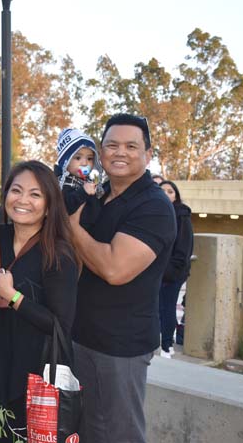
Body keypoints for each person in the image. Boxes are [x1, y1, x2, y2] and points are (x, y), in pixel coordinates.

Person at [69, 114, 176, 443]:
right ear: (100, 153)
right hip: (82, 338)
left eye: (131, 146)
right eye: (112, 145)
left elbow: (115, 269)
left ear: (148, 153)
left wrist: (71, 228)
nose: (120, 152)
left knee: (119, 435)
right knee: (86, 432)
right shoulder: (99, 196)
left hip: (120, 349)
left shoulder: (153, 206)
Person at [0, 161, 78, 441]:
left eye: (35, 194)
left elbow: (60, 326)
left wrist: (12, 296)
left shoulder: (57, 254)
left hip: (37, 378)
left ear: (49, 205)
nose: (23, 200)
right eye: (16, 191)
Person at [158, 180, 193, 358]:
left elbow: (184, 248)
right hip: (155, 271)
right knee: (156, 307)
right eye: (162, 191)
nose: (166, 194)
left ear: (176, 196)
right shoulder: (155, 213)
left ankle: (166, 345)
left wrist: (170, 271)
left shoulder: (181, 215)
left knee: (167, 307)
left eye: (170, 191)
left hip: (173, 272)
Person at [54, 127, 103, 229]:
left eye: (89, 158)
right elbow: (65, 207)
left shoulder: (88, 179)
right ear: (65, 161)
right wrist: (83, 192)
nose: (84, 163)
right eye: (78, 158)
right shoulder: (62, 183)